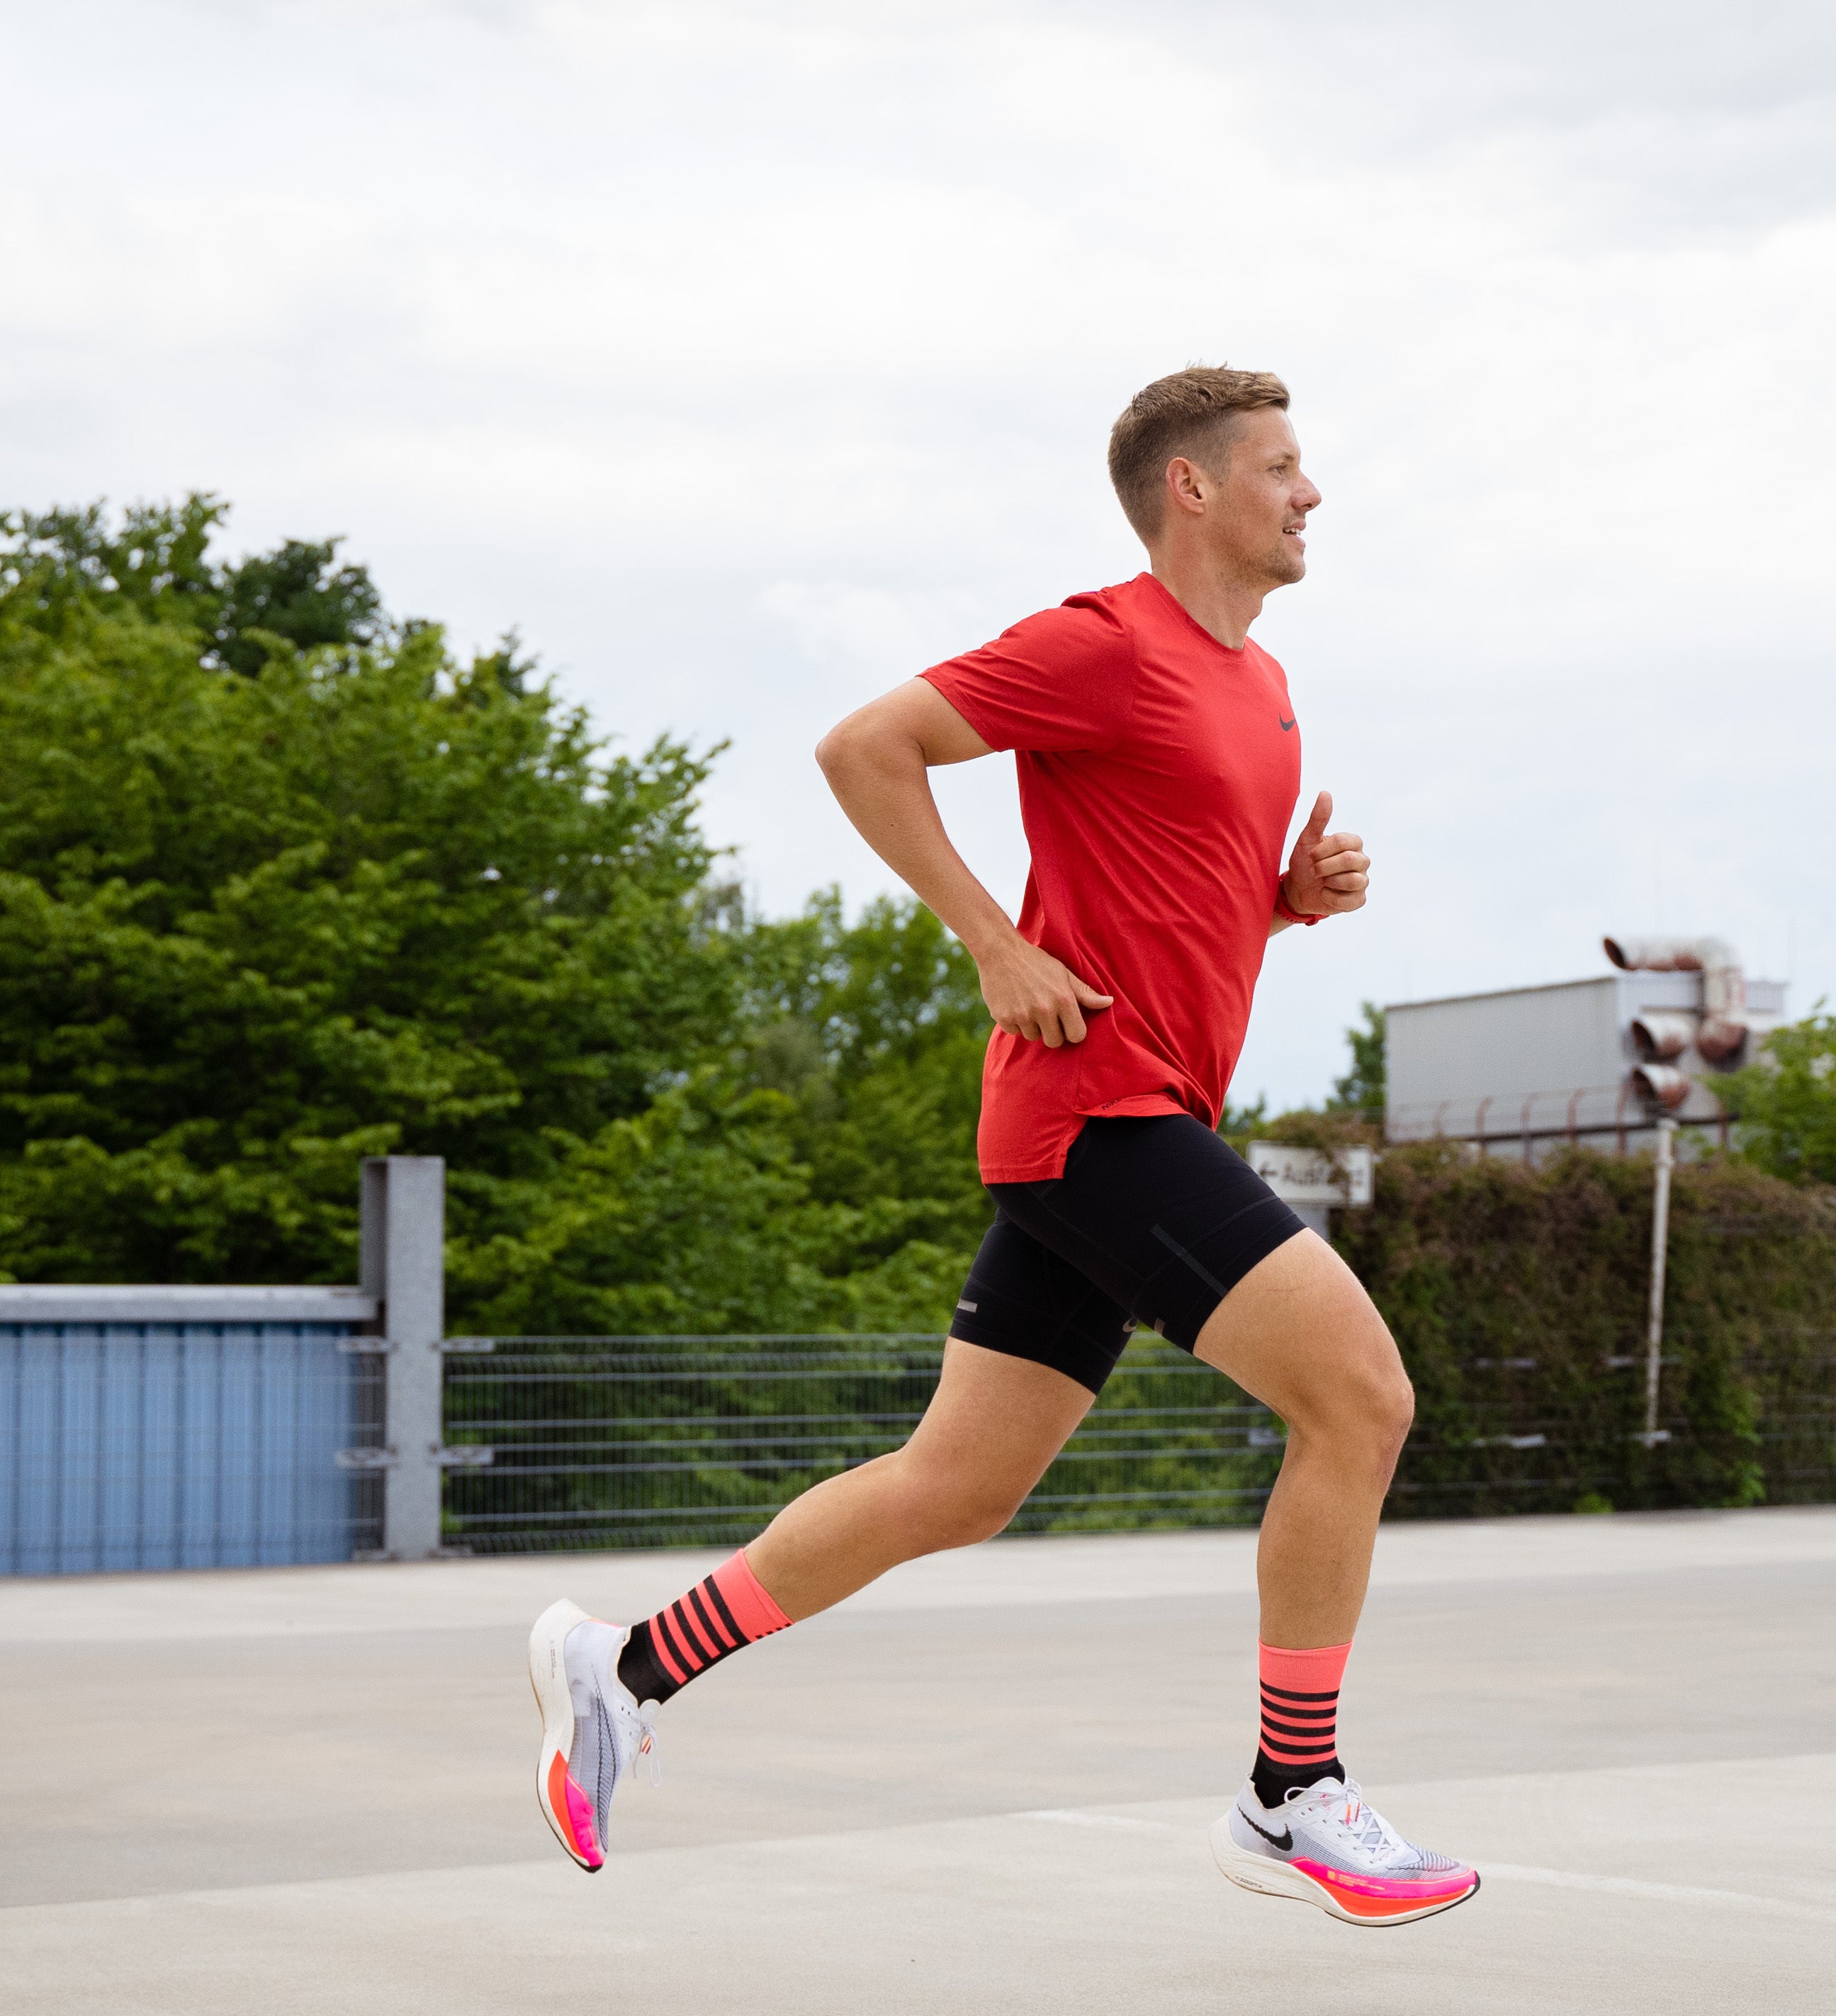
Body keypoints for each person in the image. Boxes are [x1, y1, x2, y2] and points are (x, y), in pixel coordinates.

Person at [526, 366, 1476, 1929]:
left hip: (1124, 1114)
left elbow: (1176, 899)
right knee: (1362, 1398)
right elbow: (863, 748)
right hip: (1096, 1109)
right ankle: (1289, 1791)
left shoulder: (1263, 685)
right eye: (1284, 468)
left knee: (951, 1489)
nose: (1312, 496)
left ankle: (624, 1673)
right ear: (1192, 487)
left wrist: (1287, 899)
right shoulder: (1100, 644)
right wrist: (986, 940)